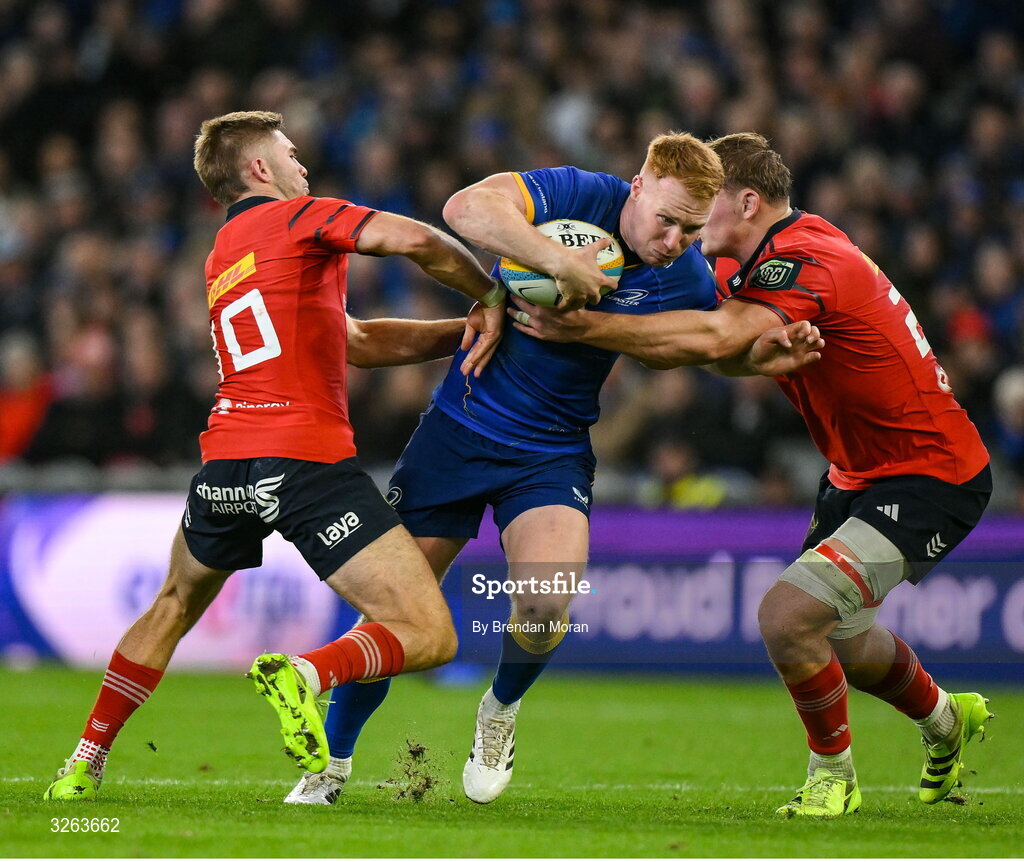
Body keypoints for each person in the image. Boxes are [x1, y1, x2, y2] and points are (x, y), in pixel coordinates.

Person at [285, 132, 822, 806]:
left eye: (691, 228)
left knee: (546, 604)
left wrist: (764, 357)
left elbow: (708, 350)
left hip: (550, 453)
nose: (674, 240)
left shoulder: (682, 273)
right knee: (393, 611)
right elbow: (467, 208)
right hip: (456, 432)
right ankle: (331, 765)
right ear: (639, 183)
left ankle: (499, 712)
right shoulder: (577, 193)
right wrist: (556, 261)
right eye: (666, 220)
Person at [508, 132, 994, 818]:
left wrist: (581, 327)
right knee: (843, 638)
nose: (696, 220)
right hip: (859, 474)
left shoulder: (807, 257)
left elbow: (711, 338)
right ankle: (946, 719)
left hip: (931, 475)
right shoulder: (761, 262)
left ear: (746, 200)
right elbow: (715, 346)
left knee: (787, 618)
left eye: (708, 204)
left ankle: (834, 777)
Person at [44, 110, 507, 801]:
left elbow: (357, 341)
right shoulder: (301, 219)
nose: (303, 167)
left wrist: (461, 332)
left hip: (227, 464)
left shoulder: (226, 254)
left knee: (173, 603)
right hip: (303, 462)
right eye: (290, 155)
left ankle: (83, 762)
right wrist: (493, 296)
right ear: (259, 169)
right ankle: (305, 674)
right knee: (429, 633)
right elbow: (415, 238)